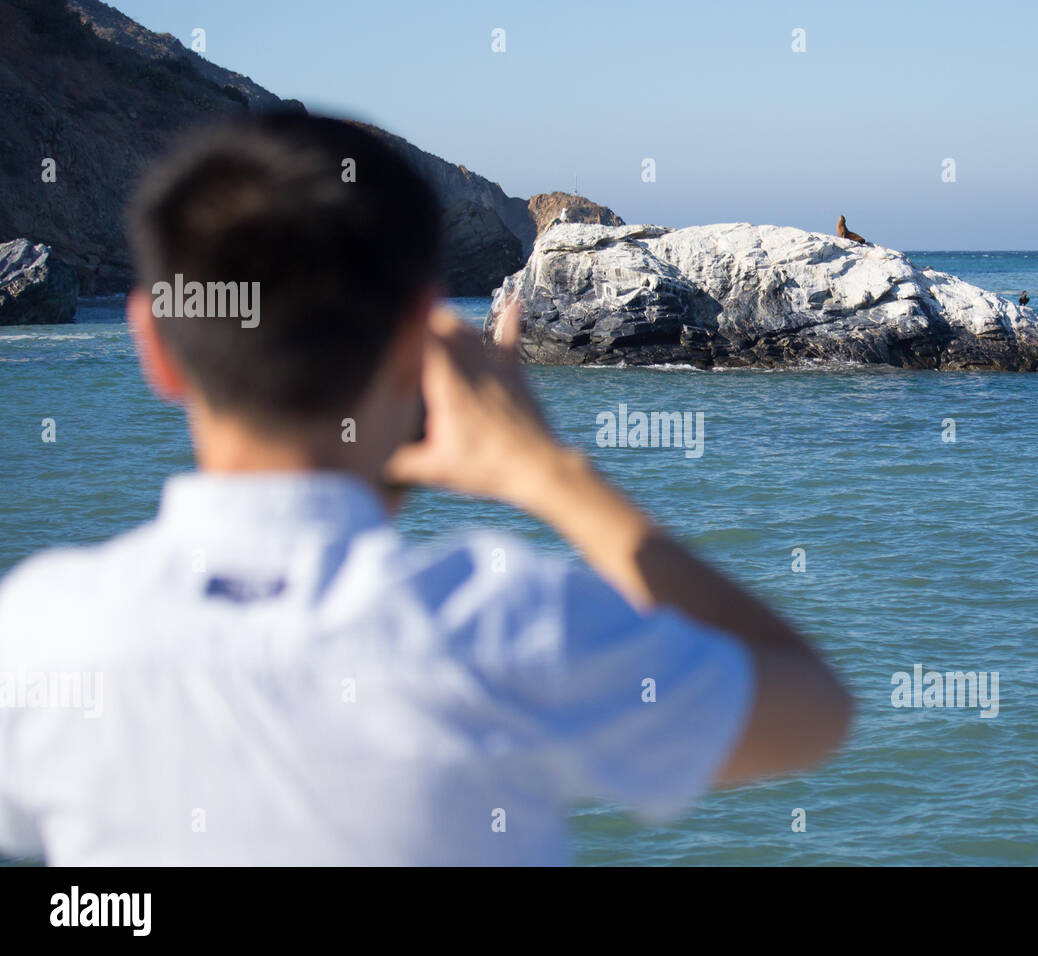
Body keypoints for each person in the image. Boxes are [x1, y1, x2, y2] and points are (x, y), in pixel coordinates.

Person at [0, 114, 851, 865]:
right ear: (421, 337)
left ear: (153, 341)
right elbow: (809, 703)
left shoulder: (38, 632)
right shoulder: (508, 626)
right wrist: (544, 472)